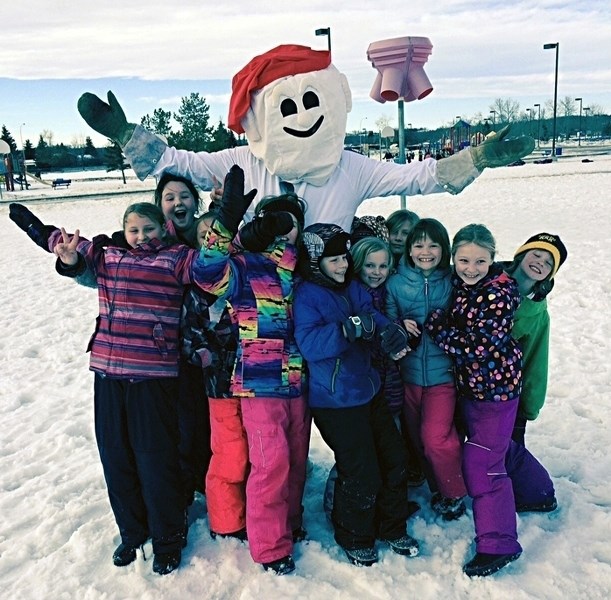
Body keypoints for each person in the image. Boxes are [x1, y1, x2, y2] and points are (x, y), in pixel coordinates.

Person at [9, 197, 242, 575]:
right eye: (133, 229)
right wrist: (42, 233)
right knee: (115, 456)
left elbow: (209, 267)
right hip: (106, 372)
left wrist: (227, 217)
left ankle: (168, 536)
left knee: (155, 458)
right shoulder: (107, 254)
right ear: (124, 231)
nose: (140, 236)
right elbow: (63, 243)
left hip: (153, 375)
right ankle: (132, 531)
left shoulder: (176, 258)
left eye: (148, 229)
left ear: (163, 229)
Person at [77, 45, 534, 233]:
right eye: (287, 108)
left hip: (326, 299)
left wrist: (479, 156)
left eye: (313, 103)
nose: (302, 117)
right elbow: (182, 164)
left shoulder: (351, 167)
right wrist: (125, 134)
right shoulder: (243, 160)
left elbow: (417, 177)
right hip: (265, 305)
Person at [193, 174, 310, 576]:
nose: (285, 228)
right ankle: (270, 545)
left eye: (290, 220)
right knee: (270, 462)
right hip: (259, 383)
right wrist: (230, 226)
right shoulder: (244, 267)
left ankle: (290, 524)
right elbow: (205, 275)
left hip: (299, 381)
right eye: (275, 220)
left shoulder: (302, 269)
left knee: (295, 459)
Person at [426, 224, 556, 578]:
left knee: (482, 463)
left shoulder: (499, 295)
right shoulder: (463, 283)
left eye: (480, 261)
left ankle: (499, 544)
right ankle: (539, 491)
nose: (471, 268)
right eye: (464, 260)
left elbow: (478, 347)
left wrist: (437, 327)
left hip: (495, 393)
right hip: (471, 389)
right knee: (497, 448)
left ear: (492, 259)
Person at [294, 223, 420, 567]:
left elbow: (373, 317)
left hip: (369, 390)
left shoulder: (352, 287)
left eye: (344, 259)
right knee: (361, 469)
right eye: (333, 260)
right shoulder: (307, 295)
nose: (342, 266)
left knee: (395, 459)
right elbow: (310, 345)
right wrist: (347, 329)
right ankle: (355, 535)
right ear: (315, 261)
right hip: (335, 402)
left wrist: (389, 332)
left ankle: (392, 527)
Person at [386, 218, 468, 521]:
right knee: (418, 439)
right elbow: (386, 323)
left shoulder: (452, 280)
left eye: (433, 244)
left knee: (437, 438)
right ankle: (437, 488)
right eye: (418, 244)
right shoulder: (395, 283)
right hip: (407, 377)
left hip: (441, 378)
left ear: (443, 249)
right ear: (408, 249)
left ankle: (453, 491)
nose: (426, 251)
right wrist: (398, 328)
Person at [504, 233, 568, 444]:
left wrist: (528, 407)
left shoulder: (538, 314)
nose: (540, 262)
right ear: (521, 254)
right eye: (536, 254)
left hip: (504, 395)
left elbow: (536, 360)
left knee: (509, 451)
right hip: (458, 384)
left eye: (548, 263)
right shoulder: (485, 276)